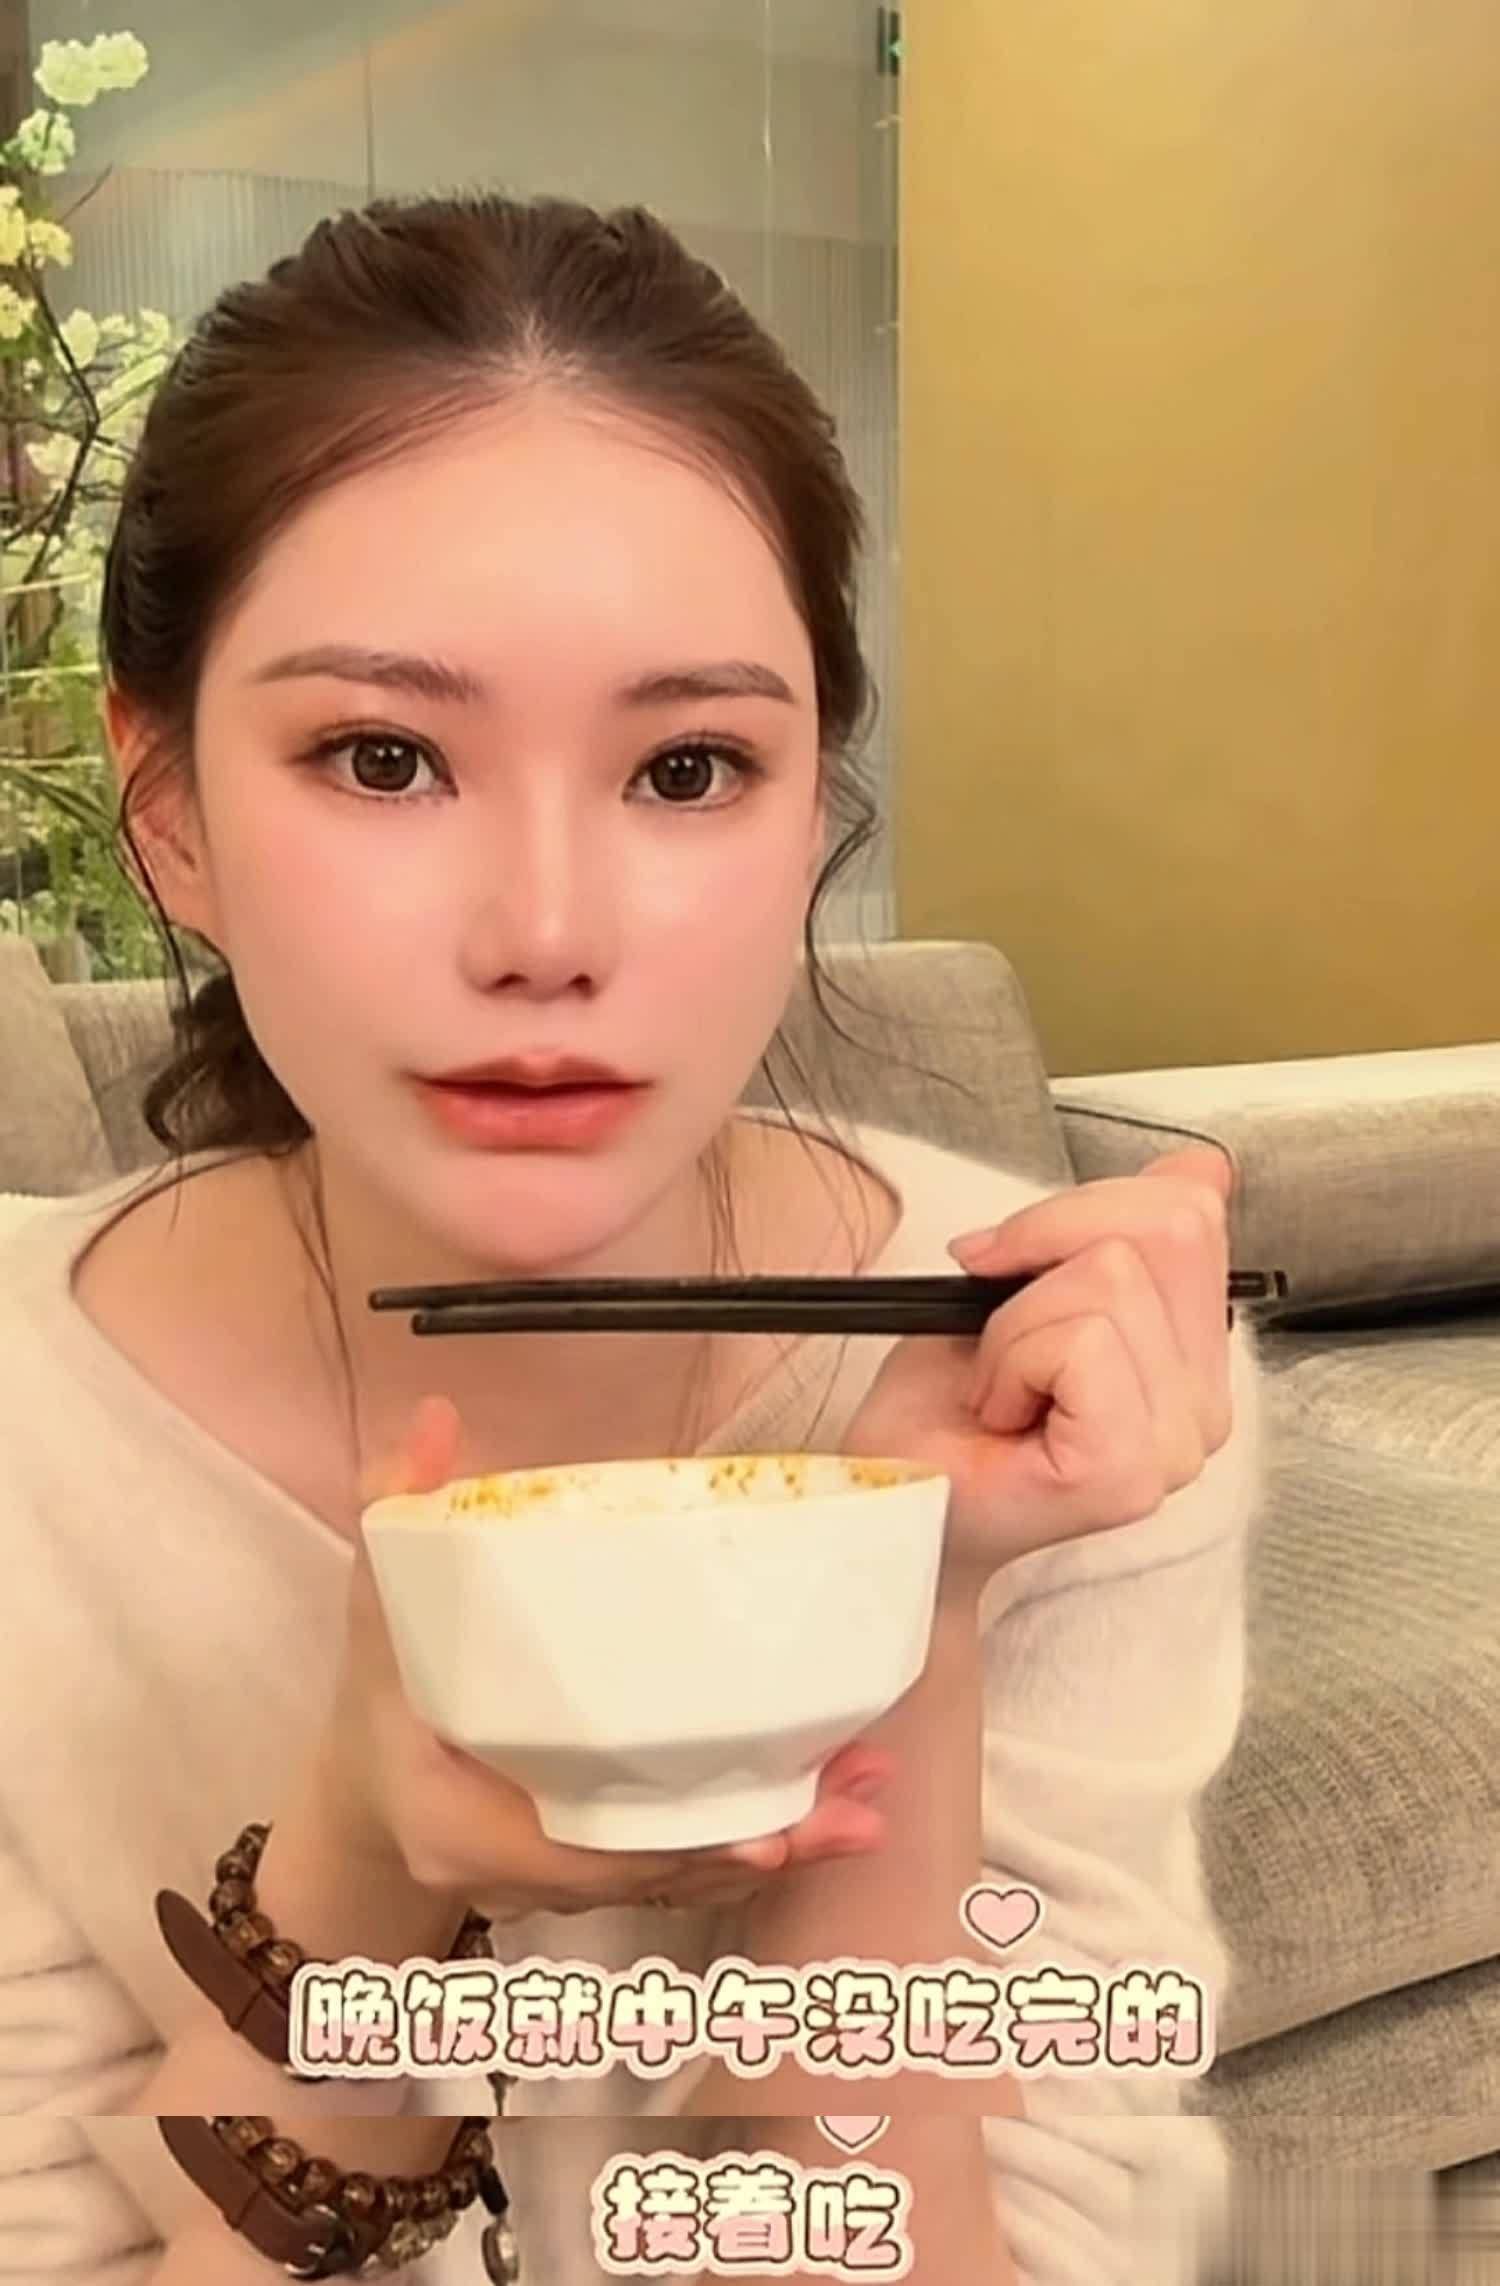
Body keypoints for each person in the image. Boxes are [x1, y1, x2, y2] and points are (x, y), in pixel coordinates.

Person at [0, 193, 1263, 2284]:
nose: (550, 934)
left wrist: (915, 1599)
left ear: (811, 811)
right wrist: (359, 1858)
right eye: (383, 757)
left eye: (687, 767)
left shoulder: (1062, 1387)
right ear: (170, 812)